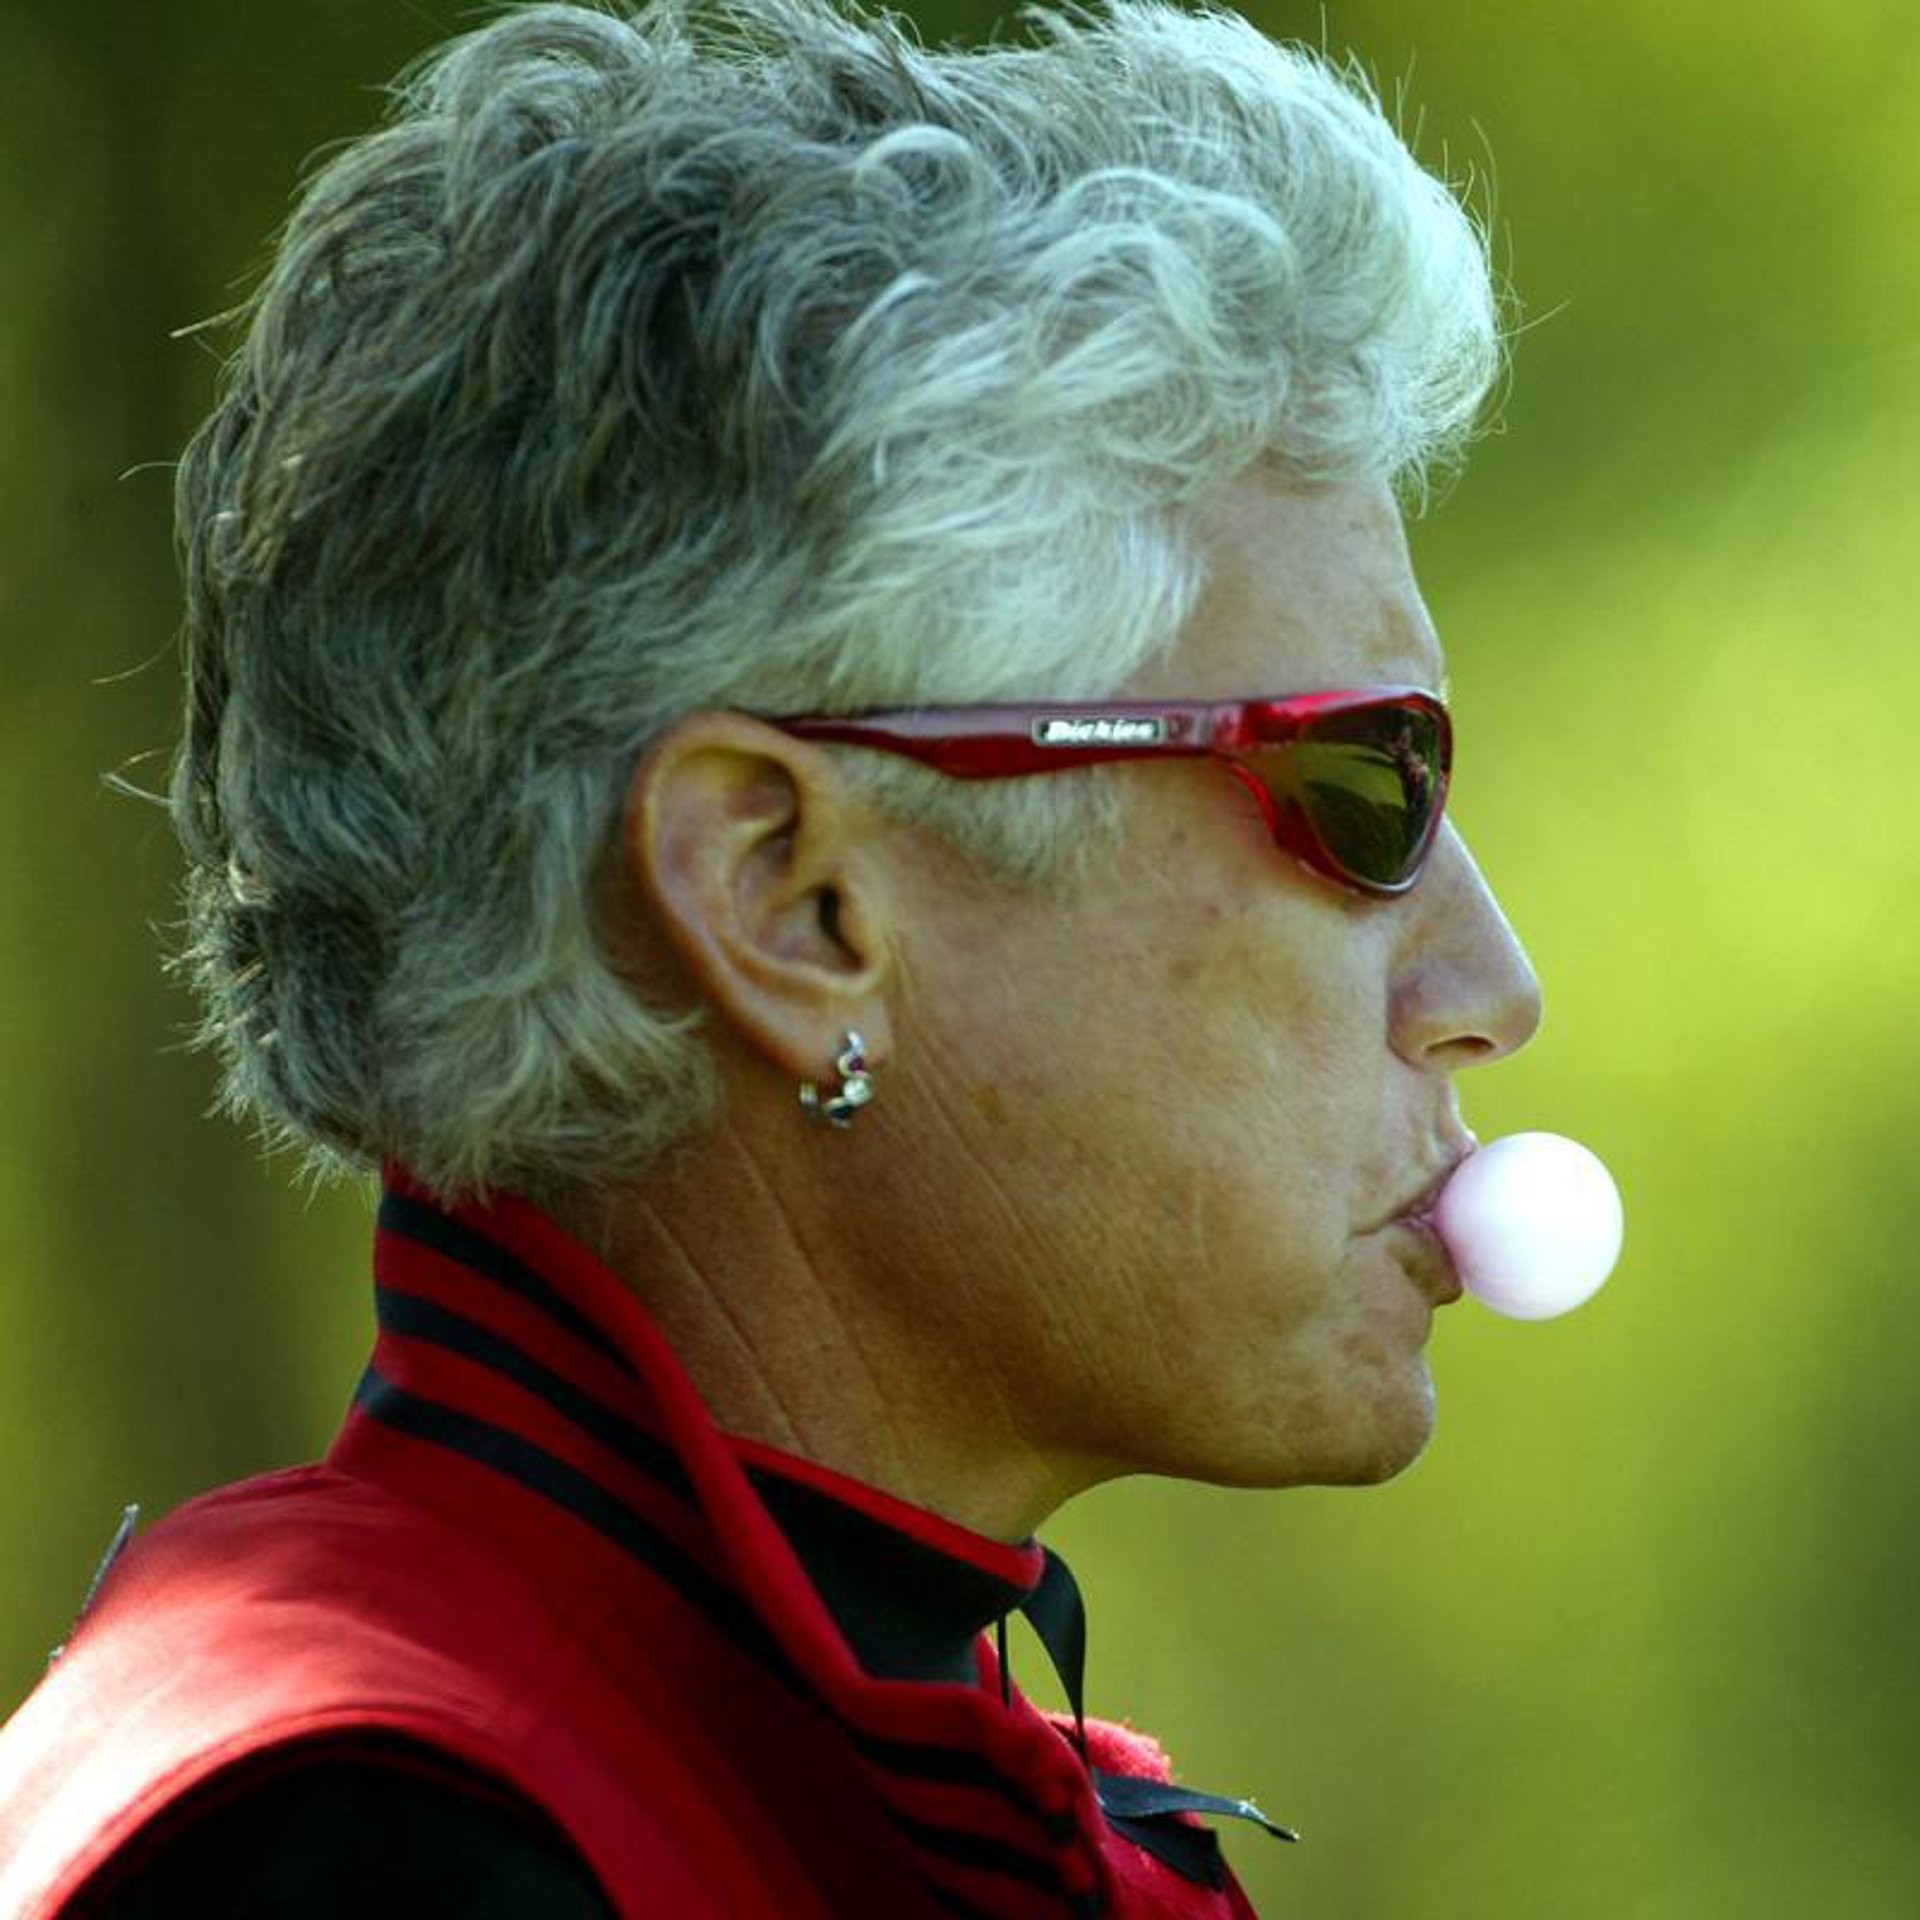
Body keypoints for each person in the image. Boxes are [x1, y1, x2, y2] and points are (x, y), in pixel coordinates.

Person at [0, 0, 1542, 1911]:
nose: (1492, 986)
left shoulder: (714, 1791)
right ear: (785, 899)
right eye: (1359, 783)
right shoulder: (375, 1853)